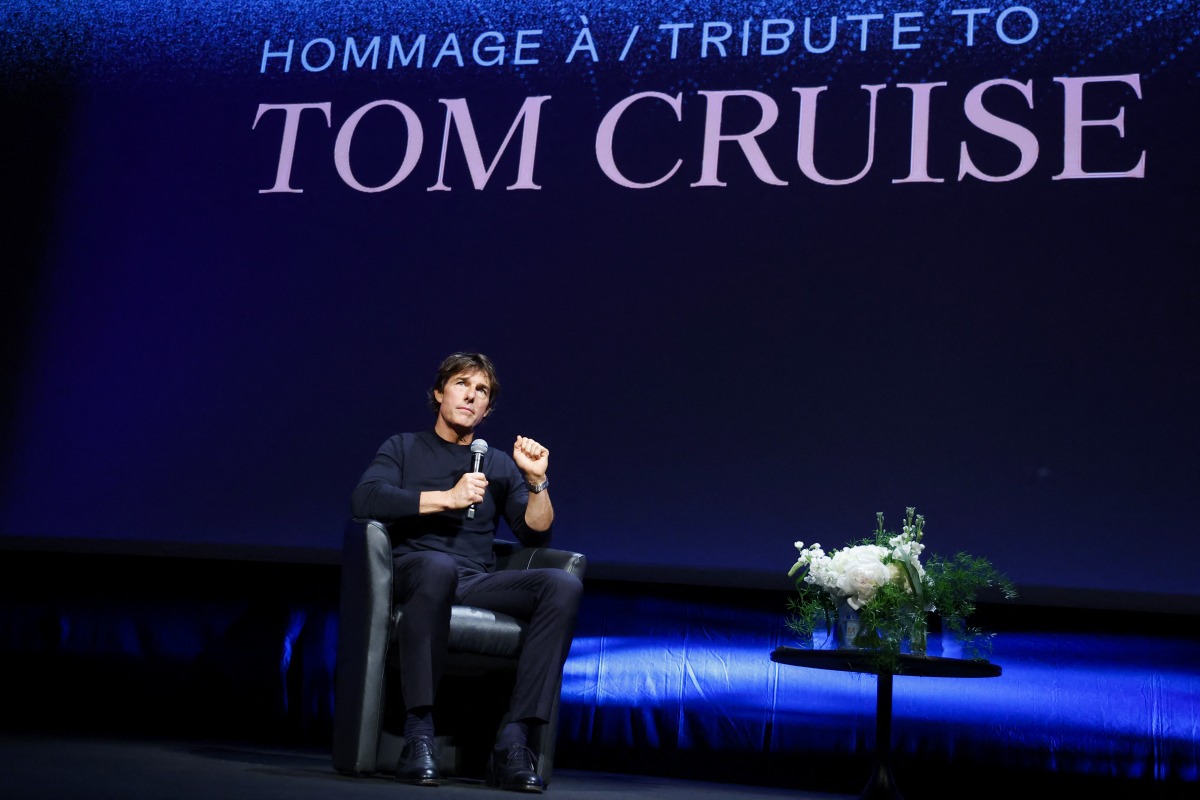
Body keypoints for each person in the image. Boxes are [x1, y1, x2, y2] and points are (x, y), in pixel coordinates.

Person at [350, 352, 582, 792]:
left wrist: (536, 481)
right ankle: (419, 734)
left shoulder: (496, 463)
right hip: (415, 570)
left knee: (562, 585)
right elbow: (365, 500)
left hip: (473, 579)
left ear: (487, 408)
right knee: (437, 567)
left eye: (482, 391)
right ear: (439, 393)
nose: (471, 396)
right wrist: (447, 498)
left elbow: (536, 534)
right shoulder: (403, 447)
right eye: (462, 384)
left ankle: (513, 741)